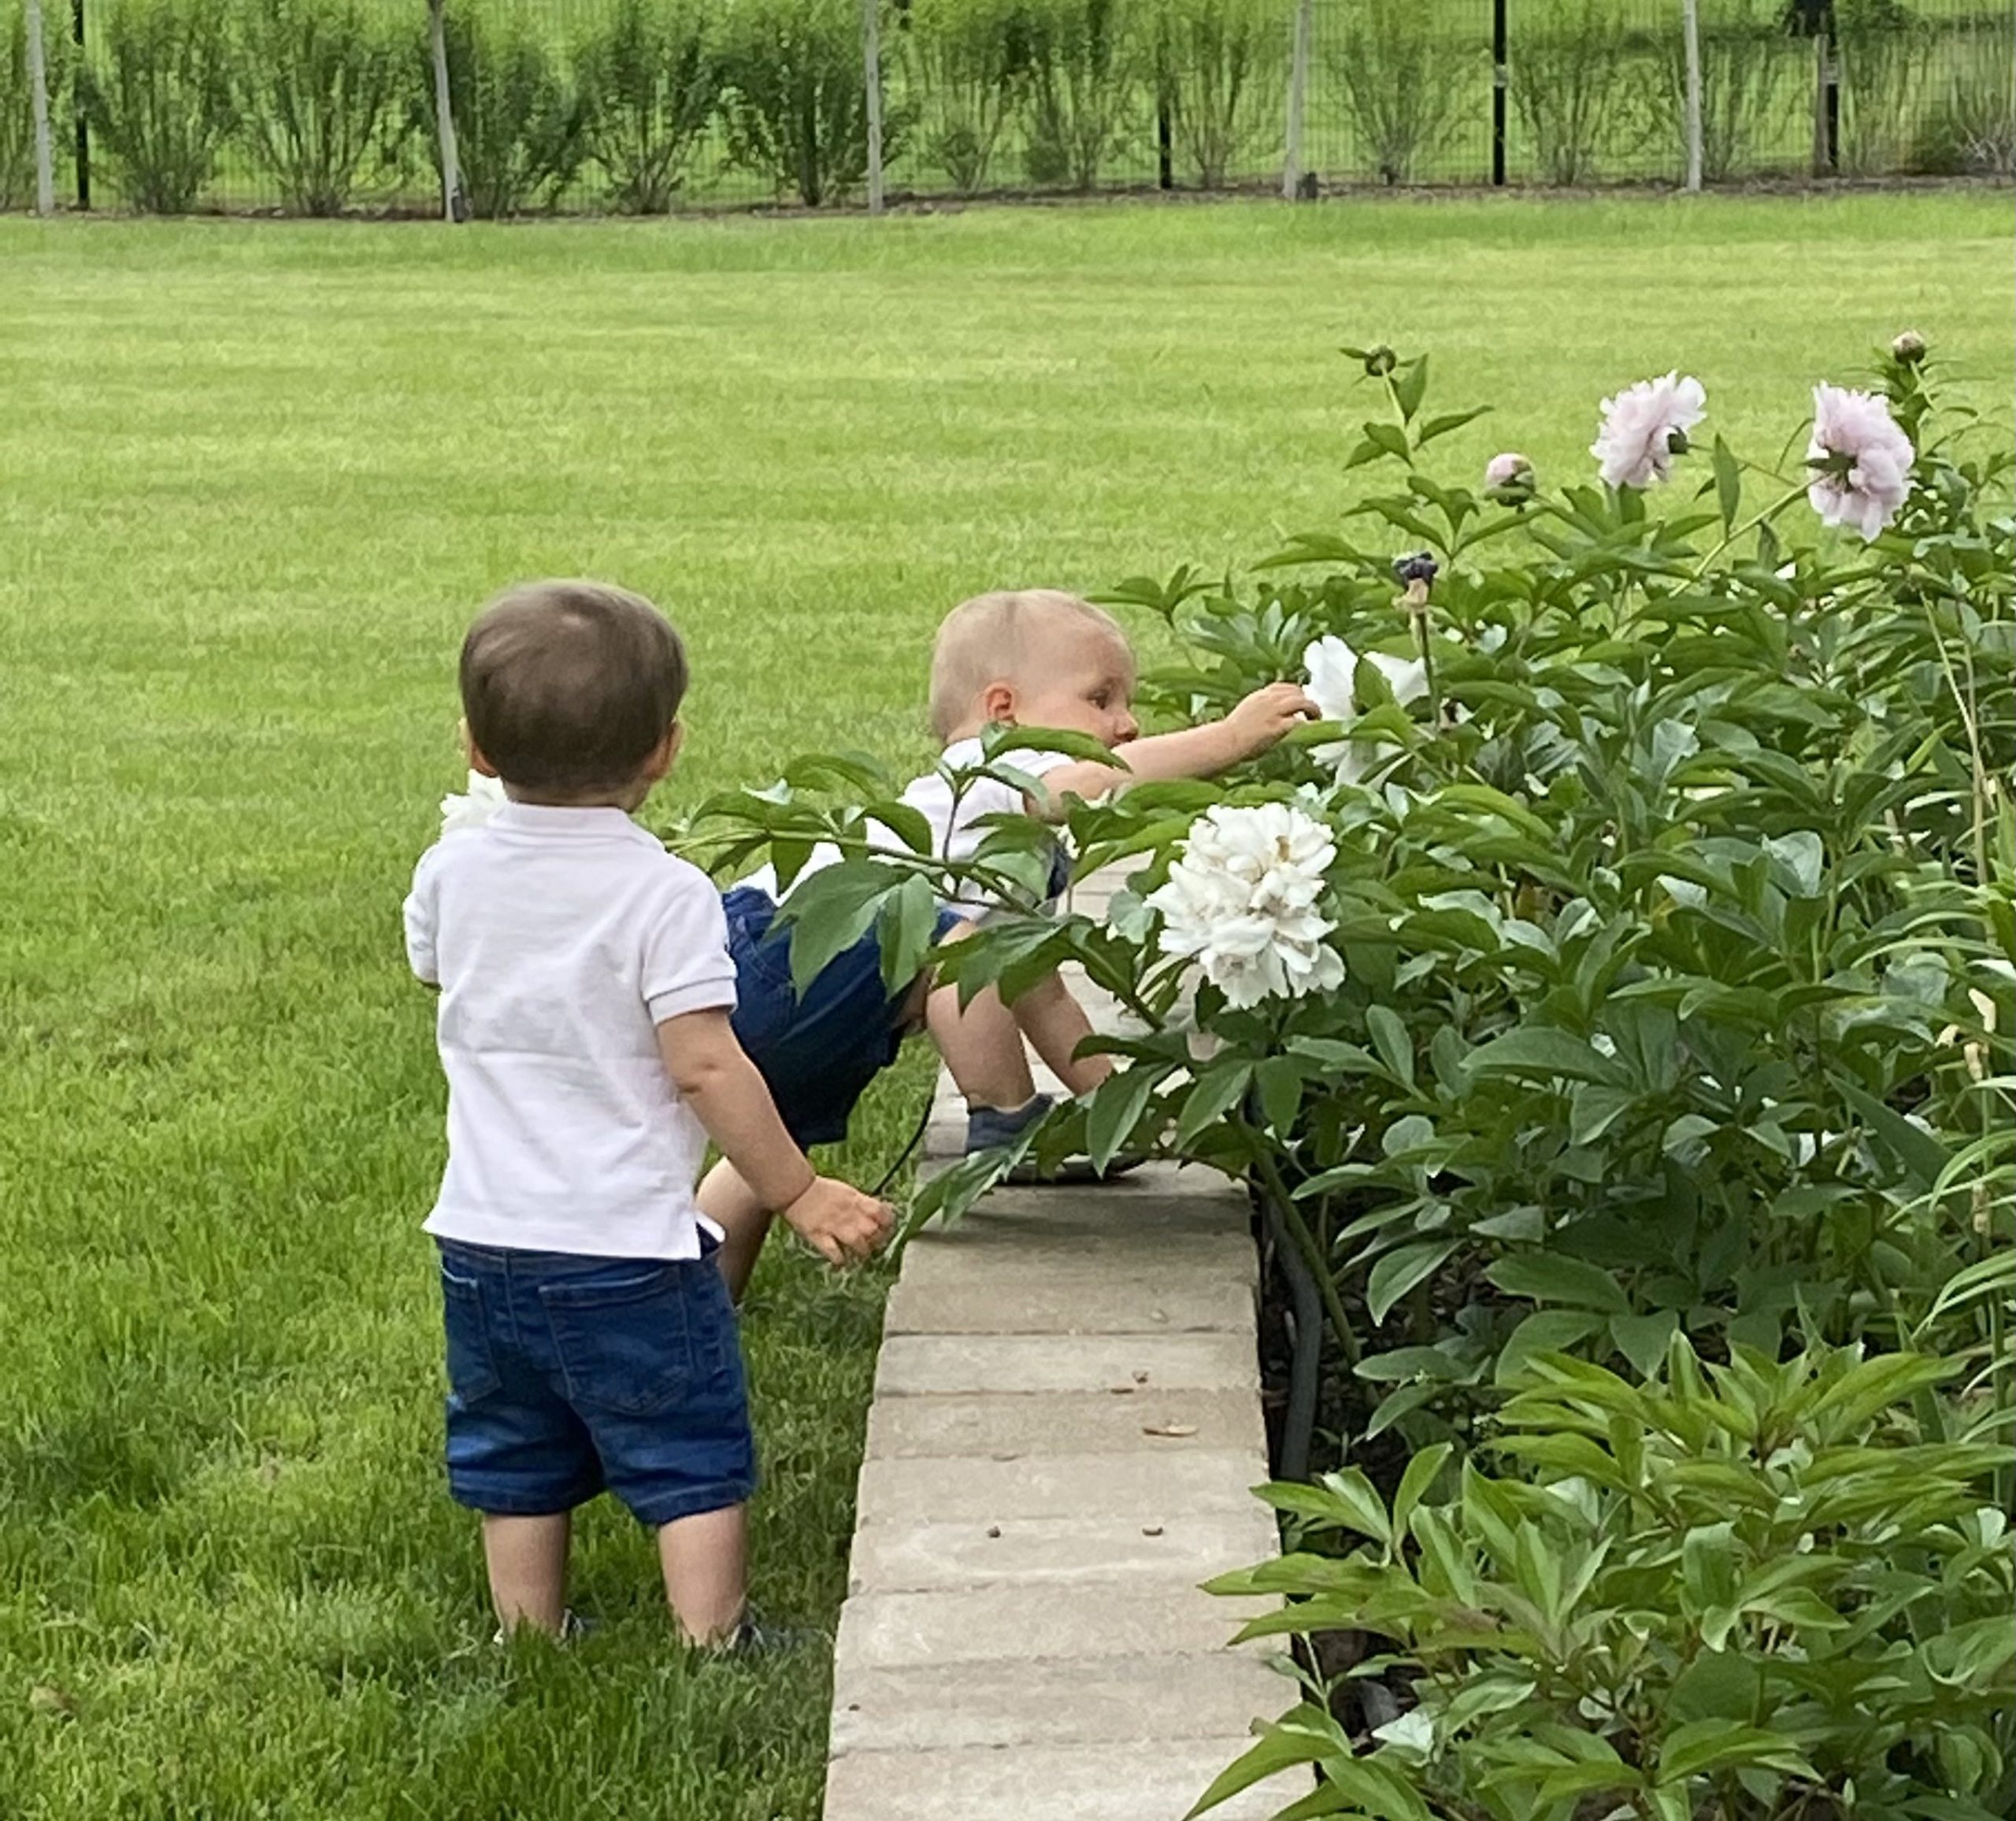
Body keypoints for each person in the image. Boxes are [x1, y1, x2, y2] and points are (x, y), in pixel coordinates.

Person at [403, 579, 891, 1646]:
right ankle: (712, 1635)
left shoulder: (451, 870)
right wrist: (797, 1189)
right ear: (666, 751)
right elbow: (705, 1065)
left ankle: (528, 1632)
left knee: (514, 1449)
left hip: (481, 1238)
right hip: (622, 1244)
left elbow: (441, 975)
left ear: (475, 750)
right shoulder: (663, 894)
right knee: (686, 1442)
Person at [703, 588, 1317, 1294]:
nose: (1128, 722)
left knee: (766, 1151)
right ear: (1004, 713)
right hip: (775, 959)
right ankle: (1004, 1121)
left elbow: (1042, 991)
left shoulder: (1015, 854)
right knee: (964, 951)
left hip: (787, 995)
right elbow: (1083, 789)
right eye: (1101, 699)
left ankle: (699, 1302)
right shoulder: (986, 774)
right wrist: (1228, 738)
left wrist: (1117, 1114)